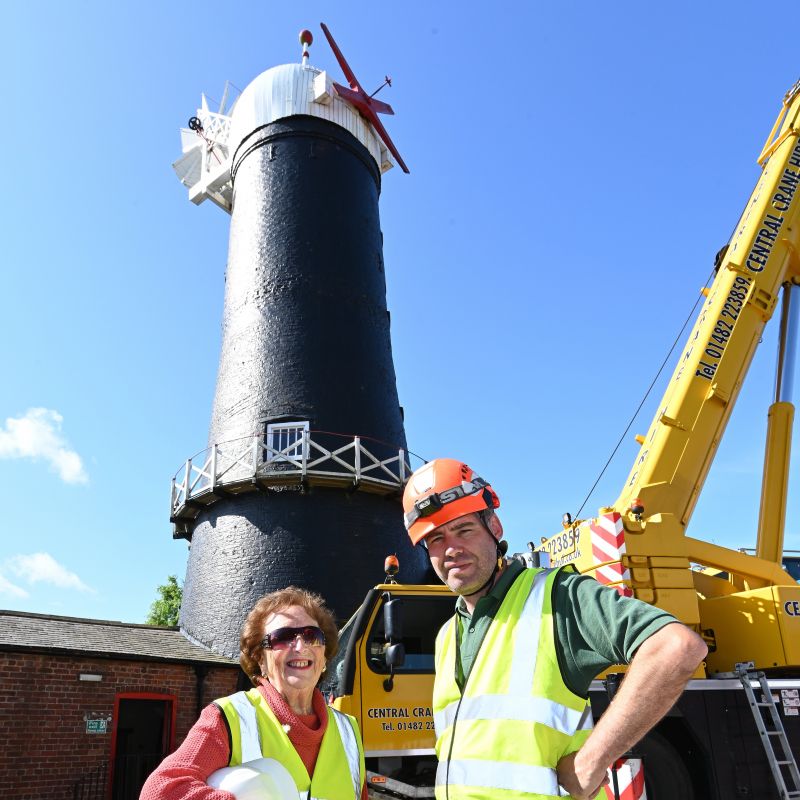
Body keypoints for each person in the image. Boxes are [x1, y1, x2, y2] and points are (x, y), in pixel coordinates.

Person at [402, 458, 708, 800]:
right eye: (436, 539)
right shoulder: (448, 635)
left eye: (464, 530)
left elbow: (675, 648)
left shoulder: (556, 596)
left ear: (495, 527)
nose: (452, 549)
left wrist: (592, 760)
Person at [140, 586, 366, 800]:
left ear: (325, 655)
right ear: (261, 659)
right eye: (283, 637)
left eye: (312, 635)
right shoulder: (230, 717)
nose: (300, 646)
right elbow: (160, 792)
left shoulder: (349, 731)